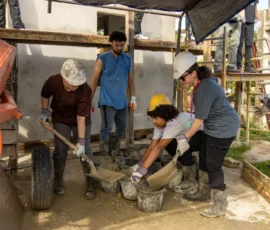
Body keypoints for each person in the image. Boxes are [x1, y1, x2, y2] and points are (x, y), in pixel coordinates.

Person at [173, 52, 240, 218]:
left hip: (223, 129)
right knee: (203, 156)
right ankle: (203, 193)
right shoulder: (203, 83)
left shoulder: (203, 88)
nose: (182, 81)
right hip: (213, 127)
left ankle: (220, 204)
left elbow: (199, 120)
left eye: (182, 77)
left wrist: (184, 138)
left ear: (193, 73)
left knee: (213, 165)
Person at [39, 59, 95, 200]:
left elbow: (81, 118)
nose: (76, 86)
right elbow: (45, 95)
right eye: (72, 83)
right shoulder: (53, 81)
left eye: (78, 83)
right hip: (61, 118)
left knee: (86, 150)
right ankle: (58, 181)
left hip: (80, 120)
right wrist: (45, 111)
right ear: (64, 78)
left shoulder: (85, 90)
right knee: (60, 150)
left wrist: (81, 141)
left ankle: (90, 182)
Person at [131, 94, 204, 194]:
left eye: (156, 118)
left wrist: (142, 170)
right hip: (188, 136)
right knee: (172, 145)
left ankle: (190, 181)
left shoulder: (174, 123)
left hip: (204, 135)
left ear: (165, 114)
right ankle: (190, 162)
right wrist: (140, 163)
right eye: (152, 118)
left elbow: (159, 147)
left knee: (178, 146)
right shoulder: (160, 124)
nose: (153, 121)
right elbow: (153, 146)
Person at [90, 31, 136, 156]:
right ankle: (104, 155)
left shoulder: (127, 59)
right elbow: (94, 79)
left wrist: (133, 98)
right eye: (117, 45)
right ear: (111, 43)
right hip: (107, 101)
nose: (119, 48)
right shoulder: (102, 59)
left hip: (122, 101)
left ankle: (114, 152)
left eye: (122, 45)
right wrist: (90, 99)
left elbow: (130, 79)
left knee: (121, 128)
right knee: (106, 128)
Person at [237, 1, 259, 73]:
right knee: (239, 44)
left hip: (251, 22)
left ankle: (248, 66)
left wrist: (257, 17)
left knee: (249, 44)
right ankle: (238, 66)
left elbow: (255, 6)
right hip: (241, 21)